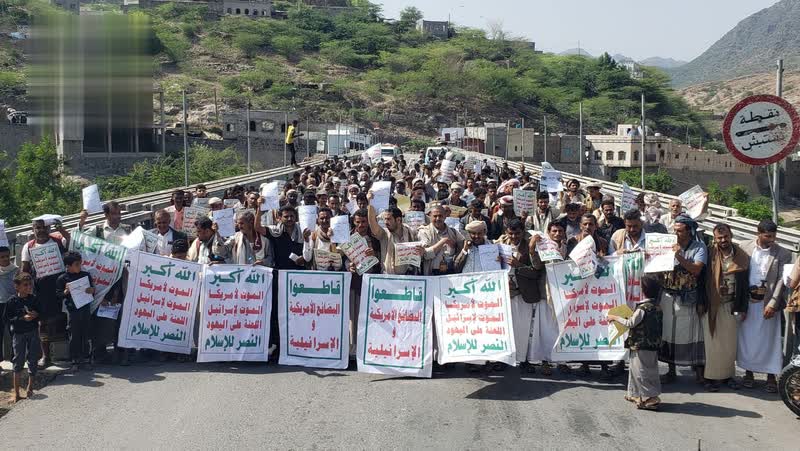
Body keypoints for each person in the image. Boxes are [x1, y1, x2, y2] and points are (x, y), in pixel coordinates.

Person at [738, 219, 792, 392]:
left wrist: (773, 303)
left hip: (768, 303)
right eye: (768, 236)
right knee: (748, 339)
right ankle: (748, 373)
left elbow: (781, 281)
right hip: (748, 301)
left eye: (774, 236)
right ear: (758, 234)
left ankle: (771, 376)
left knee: (770, 340)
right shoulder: (744, 247)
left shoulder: (783, 253)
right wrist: (740, 303)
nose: (772, 240)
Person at [659, 214, 707, 384]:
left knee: (693, 335)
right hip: (668, 295)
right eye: (675, 230)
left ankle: (699, 373)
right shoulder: (667, 245)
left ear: (689, 231)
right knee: (669, 334)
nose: (676, 233)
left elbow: (696, 270)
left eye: (679, 231)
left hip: (688, 298)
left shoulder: (699, 247)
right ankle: (671, 371)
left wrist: (678, 256)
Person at [703, 223, 749, 391]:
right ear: (715, 239)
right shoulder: (709, 253)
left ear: (731, 236)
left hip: (730, 303)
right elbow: (701, 279)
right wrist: (701, 302)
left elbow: (744, 284)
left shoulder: (740, 255)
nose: (723, 240)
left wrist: (742, 307)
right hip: (711, 304)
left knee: (729, 344)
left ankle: (728, 376)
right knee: (712, 344)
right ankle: (710, 378)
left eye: (726, 237)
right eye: (719, 238)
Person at [608, 274, 663, 410]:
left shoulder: (642, 308)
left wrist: (614, 317)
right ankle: (634, 394)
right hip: (652, 345)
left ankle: (651, 398)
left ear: (644, 290)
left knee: (641, 372)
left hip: (641, 345)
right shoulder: (657, 306)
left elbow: (630, 323)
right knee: (641, 369)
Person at [21, 219, 70, 368]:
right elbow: (25, 269)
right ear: (33, 229)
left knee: (62, 319)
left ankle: (66, 355)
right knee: (42, 323)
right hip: (40, 291)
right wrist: (25, 287)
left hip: (60, 288)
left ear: (49, 228)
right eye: (38, 227)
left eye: (44, 227)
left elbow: (71, 242)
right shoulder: (29, 246)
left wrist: (61, 229)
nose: (41, 230)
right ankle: (46, 356)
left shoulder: (58, 241)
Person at [495, 219, 539, 370]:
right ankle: (504, 359)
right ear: (506, 232)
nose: (514, 237)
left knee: (524, 329)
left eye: (517, 233)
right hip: (504, 293)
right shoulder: (499, 246)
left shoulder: (530, 247)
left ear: (522, 232)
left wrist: (518, 265)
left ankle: (523, 360)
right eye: (511, 233)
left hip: (522, 293)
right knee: (504, 328)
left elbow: (536, 272)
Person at [529, 222, 569, 375]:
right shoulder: (543, 246)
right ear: (549, 232)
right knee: (545, 330)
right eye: (554, 231)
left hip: (564, 295)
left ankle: (561, 361)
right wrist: (532, 248)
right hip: (546, 294)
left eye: (560, 231)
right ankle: (545, 361)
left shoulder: (568, 247)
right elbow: (537, 266)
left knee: (562, 330)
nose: (557, 234)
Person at [55, 252, 95, 371]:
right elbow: (58, 295)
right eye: (76, 264)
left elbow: (93, 290)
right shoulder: (62, 278)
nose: (79, 266)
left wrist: (91, 290)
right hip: (72, 311)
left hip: (85, 309)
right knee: (74, 335)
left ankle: (87, 358)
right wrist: (65, 292)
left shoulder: (86, 275)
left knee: (86, 334)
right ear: (68, 266)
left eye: (80, 263)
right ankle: (74, 360)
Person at [5, 272, 41, 403]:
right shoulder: (12, 301)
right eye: (25, 285)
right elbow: (8, 319)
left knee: (33, 359)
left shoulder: (34, 299)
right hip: (19, 334)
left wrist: (36, 315)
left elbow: (41, 313)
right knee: (18, 361)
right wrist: (21, 318)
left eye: (30, 284)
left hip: (33, 332)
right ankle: (16, 393)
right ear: (17, 286)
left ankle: (30, 388)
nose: (28, 287)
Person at [366, 198, 420, 276]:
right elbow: (372, 223)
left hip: (406, 278)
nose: (385, 222)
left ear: (398, 220)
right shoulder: (384, 233)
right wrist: (370, 203)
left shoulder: (410, 233)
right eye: (385, 219)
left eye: (388, 219)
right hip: (387, 278)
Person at [418, 205, 462, 276]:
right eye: (435, 216)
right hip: (431, 274)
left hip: (450, 273)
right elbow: (425, 254)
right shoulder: (424, 232)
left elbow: (462, 248)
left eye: (440, 216)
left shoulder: (453, 232)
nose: (438, 219)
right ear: (430, 216)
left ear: (445, 216)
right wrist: (442, 242)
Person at [0, 246, 19, 370]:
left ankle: (15, 360)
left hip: (12, 304)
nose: (5, 259)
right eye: (2, 257)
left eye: (7, 256)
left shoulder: (16, 270)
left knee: (14, 332)